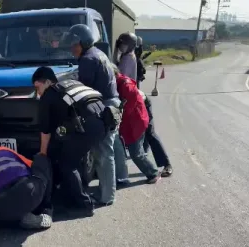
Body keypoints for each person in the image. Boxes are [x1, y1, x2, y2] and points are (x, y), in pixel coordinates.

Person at [32, 66, 108, 216]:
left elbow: (45, 132)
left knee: (67, 164)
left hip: (87, 126)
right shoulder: (70, 84)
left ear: (47, 82)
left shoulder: (49, 95)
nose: (37, 92)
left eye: (37, 87)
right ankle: (69, 196)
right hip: (104, 121)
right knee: (70, 156)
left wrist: (42, 154)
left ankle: (84, 205)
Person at [67, 24, 121, 206]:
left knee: (104, 152)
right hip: (111, 104)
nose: (72, 48)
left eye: (74, 44)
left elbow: (84, 90)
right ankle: (107, 190)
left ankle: (107, 197)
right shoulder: (98, 53)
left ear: (83, 42)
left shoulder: (87, 60)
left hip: (103, 107)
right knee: (107, 149)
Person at [112, 64, 162, 184]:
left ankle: (153, 173)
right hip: (131, 122)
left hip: (136, 123)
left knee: (136, 154)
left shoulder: (126, 84)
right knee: (135, 150)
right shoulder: (119, 82)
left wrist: (119, 115)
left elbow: (129, 104)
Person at [140, 90, 173, 177]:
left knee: (150, 132)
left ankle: (166, 164)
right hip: (130, 103)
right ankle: (144, 149)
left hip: (141, 103)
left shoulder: (122, 84)